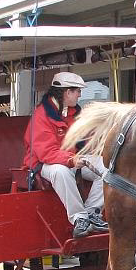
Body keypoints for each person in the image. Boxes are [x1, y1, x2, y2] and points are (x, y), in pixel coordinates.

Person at [23, 72, 108, 238]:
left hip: (71, 159)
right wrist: (71, 160)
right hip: (43, 165)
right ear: (67, 92)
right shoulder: (41, 115)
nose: (80, 94)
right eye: (77, 91)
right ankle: (79, 218)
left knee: (107, 166)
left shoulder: (74, 114)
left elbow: (86, 141)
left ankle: (92, 213)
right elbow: (45, 152)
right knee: (60, 171)